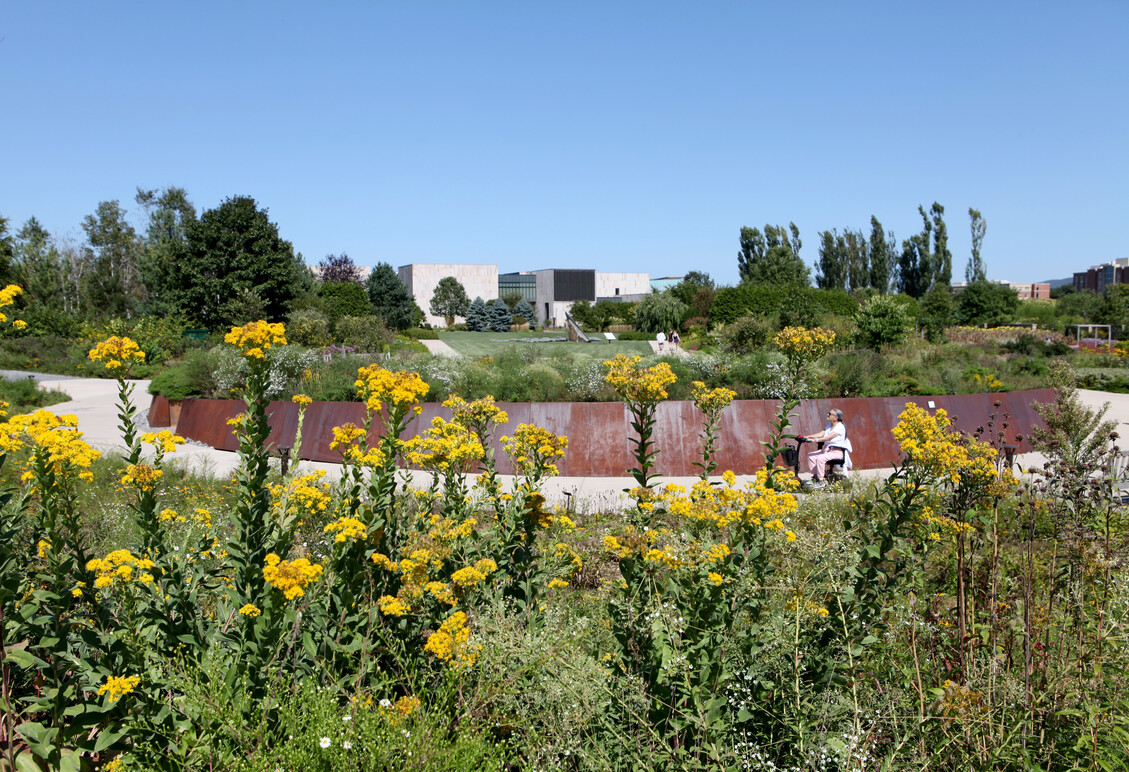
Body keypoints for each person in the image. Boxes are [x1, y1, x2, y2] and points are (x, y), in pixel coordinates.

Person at [804, 407, 852, 487]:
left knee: (820, 458)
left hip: (836, 452)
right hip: (826, 450)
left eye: (830, 414)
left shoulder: (840, 427)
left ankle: (821, 481)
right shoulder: (830, 425)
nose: (828, 415)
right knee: (811, 456)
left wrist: (814, 440)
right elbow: (821, 433)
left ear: (836, 417)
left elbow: (828, 438)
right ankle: (815, 478)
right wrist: (807, 437)